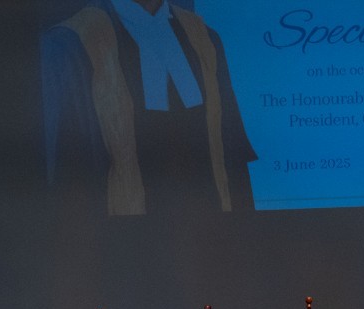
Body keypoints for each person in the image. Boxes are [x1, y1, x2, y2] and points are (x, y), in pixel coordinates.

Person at [41, 0, 256, 216]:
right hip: (125, 231)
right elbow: (70, 178)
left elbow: (233, 154)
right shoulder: (71, 44)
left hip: (204, 224)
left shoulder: (204, 38)